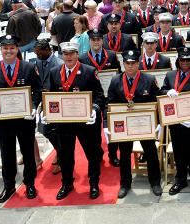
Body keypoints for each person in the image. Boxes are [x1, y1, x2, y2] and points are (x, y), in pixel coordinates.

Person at [0, 35, 42, 203]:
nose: (8, 51)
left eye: (12, 48)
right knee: (6, 154)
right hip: (3, 121)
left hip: (24, 119)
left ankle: (30, 184)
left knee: (28, 153)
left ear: (17, 49)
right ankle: (8, 186)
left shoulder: (28, 67)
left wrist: (34, 107)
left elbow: (38, 90)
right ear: (1, 50)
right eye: (5, 48)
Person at [45, 42, 103, 200]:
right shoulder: (54, 72)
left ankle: (93, 183)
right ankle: (67, 183)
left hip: (85, 122)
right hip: (64, 123)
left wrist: (94, 109)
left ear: (78, 54)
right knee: (65, 155)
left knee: (92, 154)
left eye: (72, 53)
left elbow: (99, 95)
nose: (69, 56)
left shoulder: (89, 71)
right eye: (65, 53)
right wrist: (46, 111)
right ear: (62, 55)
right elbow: (49, 94)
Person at [106, 50, 162, 198]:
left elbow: (157, 101)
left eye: (133, 63)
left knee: (150, 152)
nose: (130, 66)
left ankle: (155, 182)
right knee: (124, 155)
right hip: (124, 126)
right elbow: (110, 103)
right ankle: (125, 184)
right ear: (123, 64)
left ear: (138, 63)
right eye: (127, 63)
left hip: (145, 124)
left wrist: (159, 122)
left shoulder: (149, 80)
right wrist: (108, 124)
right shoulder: (115, 80)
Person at [162, 48, 190, 196]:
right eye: (182, 60)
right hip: (175, 123)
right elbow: (161, 91)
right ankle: (180, 180)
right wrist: (166, 92)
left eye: (188, 60)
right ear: (178, 61)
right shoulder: (170, 75)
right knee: (178, 153)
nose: (185, 63)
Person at [79, 29, 121, 168]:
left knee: (111, 126)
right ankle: (97, 153)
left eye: (98, 39)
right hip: (93, 98)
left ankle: (113, 155)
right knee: (94, 129)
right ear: (89, 41)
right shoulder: (83, 58)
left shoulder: (111, 55)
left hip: (110, 96)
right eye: (93, 40)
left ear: (102, 40)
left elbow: (118, 75)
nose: (96, 42)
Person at [30, 38, 64, 175]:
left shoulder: (59, 63)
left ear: (48, 50)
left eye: (39, 53)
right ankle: (59, 151)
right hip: (43, 99)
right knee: (44, 129)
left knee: (55, 130)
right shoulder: (37, 61)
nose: (37, 56)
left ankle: (62, 156)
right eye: (36, 53)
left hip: (56, 99)